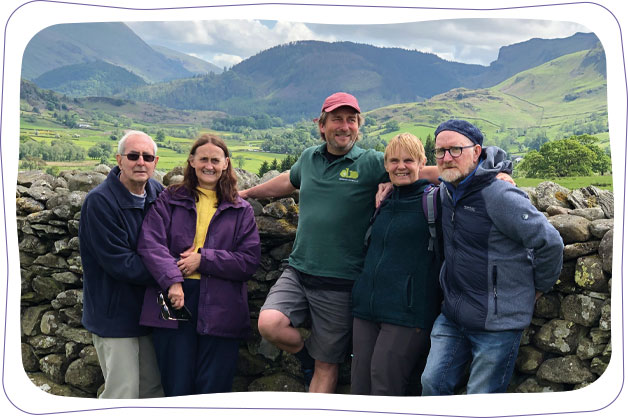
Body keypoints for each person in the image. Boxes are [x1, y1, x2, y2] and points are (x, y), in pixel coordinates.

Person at [239, 92, 441, 393]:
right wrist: (246, 194)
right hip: (298, 270)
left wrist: (491, 176)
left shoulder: (371, 162)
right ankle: (305, 355)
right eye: (337, 119)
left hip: (340, 282)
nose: (344, 126)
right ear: (322, 126)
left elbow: (416, 170)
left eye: (351, 120)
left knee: (327, 365)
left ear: (358, 126)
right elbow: (289, 180)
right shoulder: (309, 157)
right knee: (268, 323)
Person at [420, 119, 564, 395]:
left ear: (476, 152)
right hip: (453, 314)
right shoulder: (448, 190)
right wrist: (387, 183)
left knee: (481, 398)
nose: (447, 158)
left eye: (455, 150)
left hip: (497, 321)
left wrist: (539, 287)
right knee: (432, 384)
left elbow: (550, 242)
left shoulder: (499, 194)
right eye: (440, 151)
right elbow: (413, 170)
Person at [136, 134, 261, 396]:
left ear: (226, 163)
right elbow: (150, 243)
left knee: (213, 390)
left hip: (222, 304)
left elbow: (249, 261)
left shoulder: (241, 209)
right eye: (203, 158)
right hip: (173, 298)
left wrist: (203, 260)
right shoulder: (170, 198)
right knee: (175, 384)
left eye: (215, 160)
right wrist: (172, 280)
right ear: (191, 161)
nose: (209, 165)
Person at [350, 133, 443, 396]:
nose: (400, 166)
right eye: (393, 161)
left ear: (422, 162)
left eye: (408, 160)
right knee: (360, 386)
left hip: (408, 312)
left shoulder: (435, 200)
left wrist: (500, 177)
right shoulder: (385, 199)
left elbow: (467, 175)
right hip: (367, 308)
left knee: (385, 384)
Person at [80, 130, 164, 398]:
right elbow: (121, 263)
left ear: (155, 161)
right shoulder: (100, 202)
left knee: (152, 390)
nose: (141, 162)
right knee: (122, 393)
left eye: (147, 156)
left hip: (148, 314)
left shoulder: (157, 192)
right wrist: (171, 272)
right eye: (133, 155)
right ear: (119, 160)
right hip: (114, 316)